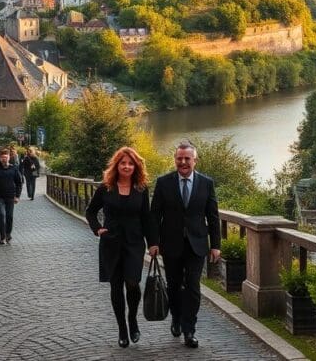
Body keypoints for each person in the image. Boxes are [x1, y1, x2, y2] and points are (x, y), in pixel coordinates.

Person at [149, 140, 221, 349]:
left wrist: (216, 245)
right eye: (179, 158)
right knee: (173, 286)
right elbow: (154, 216)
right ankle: (176, 318)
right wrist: (153, 242)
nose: (183, 162)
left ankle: (189, 330)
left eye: (187, 159)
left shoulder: (206, 183)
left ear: (194, 160)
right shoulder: (163, 183)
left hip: (197, 245)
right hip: (170, 245)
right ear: (175, 160)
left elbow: (213, 217)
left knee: (192, 287)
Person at [85, 147, 157, 349]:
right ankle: (122, 329)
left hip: (134, 243)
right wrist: (98, 229)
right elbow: (90, 211)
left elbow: (147, 218)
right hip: (111, 243)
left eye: (130, 163)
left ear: (136, 166)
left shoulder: (141, 189)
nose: (127, 166)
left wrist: (153, 243)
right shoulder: (105, 187)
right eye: (123, 163)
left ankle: (132, 319)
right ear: (117, 165)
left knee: (133, 283)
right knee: (116, 286)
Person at [0, 148, 22, 245]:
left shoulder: (14, 168)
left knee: (9, 216)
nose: (4, 159)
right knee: (1, 215)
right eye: (2, 157)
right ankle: (2, 236)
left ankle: (8, 234)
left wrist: (17, 196)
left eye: (6, 157)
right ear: (0, 158)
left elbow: (19, 182)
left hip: (10, 196)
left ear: (9, 157)